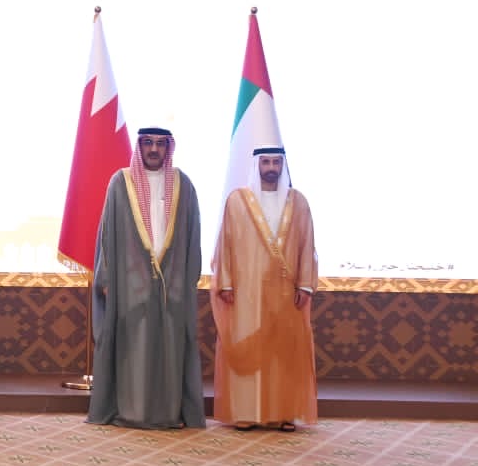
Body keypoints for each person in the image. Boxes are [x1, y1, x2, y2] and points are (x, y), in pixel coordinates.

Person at [87, 127, 206, 429]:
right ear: (139, 147)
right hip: (129, 285)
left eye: (160, 144)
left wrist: (189, 278)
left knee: (171, 349)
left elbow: (193, 236)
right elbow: (106, 236)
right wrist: (105, 278)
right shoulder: (121, 182)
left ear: (169, 148)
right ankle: (132, 412)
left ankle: (168, 413)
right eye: (148, 143)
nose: (154, 149)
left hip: (172, 283)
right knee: (133, 350)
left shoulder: (183, 185)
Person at [211, 146, 318, 432]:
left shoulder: (298, 202)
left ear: (283, 166)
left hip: (286, 292)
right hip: (246, 291)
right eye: (266, 162)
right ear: (256, 165)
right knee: (248, 346)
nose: (271, 168)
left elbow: (307, 244)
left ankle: (284, 413)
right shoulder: (237, 201)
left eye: (276, 162)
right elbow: (225, 244)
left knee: (284, 352)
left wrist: (305, 284)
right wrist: (225, 283)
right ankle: (246, 412)